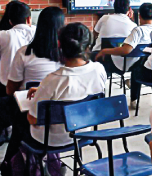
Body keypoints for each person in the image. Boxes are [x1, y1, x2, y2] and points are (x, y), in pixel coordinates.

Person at [22, 23, 106, 173]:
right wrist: (43, 89)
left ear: (59, 44)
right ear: (88, 45)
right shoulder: (99, 69)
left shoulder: (52, 80)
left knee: (21, 120)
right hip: (83, 131)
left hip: (50, 140)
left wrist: (43, 90)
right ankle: (53, 164)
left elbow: (33, 119)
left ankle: (40, 166)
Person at [0, 6, 64, 174]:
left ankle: (9, 164)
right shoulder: (68, 56)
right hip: (63, 119)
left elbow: (10, 89)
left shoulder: (25, 53)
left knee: (12, 110)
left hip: (31, 114)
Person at [95, 3, 152, 73]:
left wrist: (104, 51)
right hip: (146, 66)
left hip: (126, 65)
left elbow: (126, 50)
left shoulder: (138, 31)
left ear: (139, 16)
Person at [0, 1, 36, 95]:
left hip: (7, 89)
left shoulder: (3, 36)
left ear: (10, 21)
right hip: (35, 88)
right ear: (28, 19)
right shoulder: (40, 32)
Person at [92, 0, 136, 65]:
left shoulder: (105, 18)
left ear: (114, 7)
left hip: (100, 57)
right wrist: (131, 19)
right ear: (130, 9)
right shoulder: (133, 25)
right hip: (122, 61)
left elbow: (95, 33)